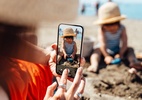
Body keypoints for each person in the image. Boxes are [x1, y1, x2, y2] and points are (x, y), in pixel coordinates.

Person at [0, 0, 86, 100]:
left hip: (33, 74)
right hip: (30, 84)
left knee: (33, 37)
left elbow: (4, 39)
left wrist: (47, 56)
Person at [87, 2, 142, 74]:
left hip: (116, 49)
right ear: (103, 25)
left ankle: (133, 62)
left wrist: (121, 53)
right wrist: (106, 56)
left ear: (118, 22)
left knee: (130, 49)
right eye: (107, 24)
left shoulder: (122, 28)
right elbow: (102, 43)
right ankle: (94, 65)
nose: (111, 27)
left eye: (113, 24)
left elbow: (124, 42)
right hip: (104, 50)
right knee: (96, 51)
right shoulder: (102, 30)